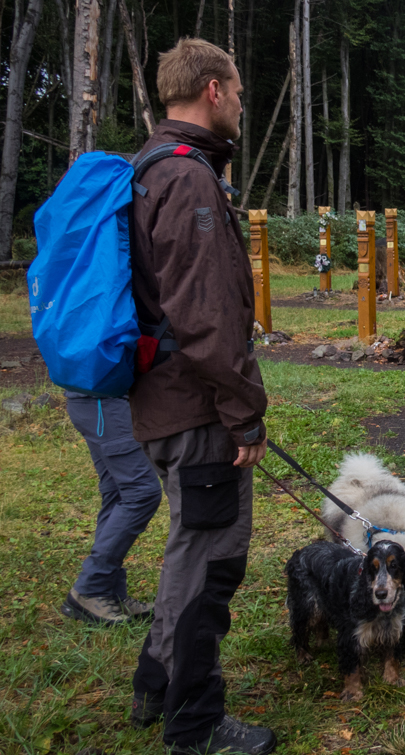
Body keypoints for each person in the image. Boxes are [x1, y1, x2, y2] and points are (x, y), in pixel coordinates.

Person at [126, 38, 273, 755]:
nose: (242, 104)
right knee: (213, 558)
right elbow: (207, 313)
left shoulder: (152, 166)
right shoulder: (188, 181)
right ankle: (195, 723)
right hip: (195, 408)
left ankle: (155, 680)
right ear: (213, 89)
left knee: (189, 546)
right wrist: (245, 410)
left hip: (167, 401)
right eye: (239, 92)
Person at [60, 393, 162, 625]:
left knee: (118, 492)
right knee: (142, 492)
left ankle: (109, 592)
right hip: (103, 402)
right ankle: (91, 587)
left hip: (92, 401)